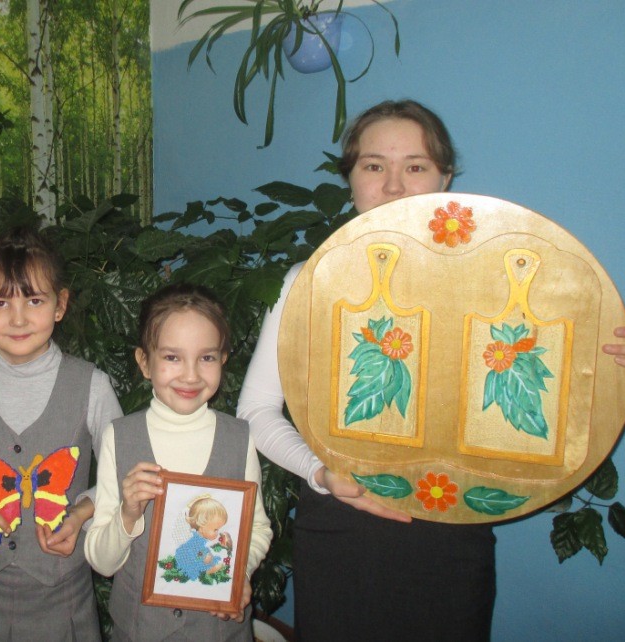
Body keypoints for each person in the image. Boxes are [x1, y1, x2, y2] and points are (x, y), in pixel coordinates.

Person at [238, 99, 497, 641]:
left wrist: (604, 362)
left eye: (416, 166)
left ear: (445, 179)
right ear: (351, 178)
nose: (394, 186)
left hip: (453, 528)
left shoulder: (497, 288)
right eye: (374, 165)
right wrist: (321, 472)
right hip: (340, 529)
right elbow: (255, 411)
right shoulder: (305, 283)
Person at [0, 226, 123, 641]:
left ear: (60, 305)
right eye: (0, 302)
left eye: (34, 300)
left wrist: (81, 514)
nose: (18, 318)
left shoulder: (92, 386)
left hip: (62, 599)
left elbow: (120, 480)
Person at [85, 283, 272, 641]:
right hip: (141, 631)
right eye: (172, 357)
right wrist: (128, 514)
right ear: (145, 362)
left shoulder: (239, 438)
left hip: (219, 631)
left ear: (223, 360)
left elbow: (257, 529)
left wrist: (238, 575)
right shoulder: (119, 437)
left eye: (207, 358)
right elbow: (102, 562)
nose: (190, 375)